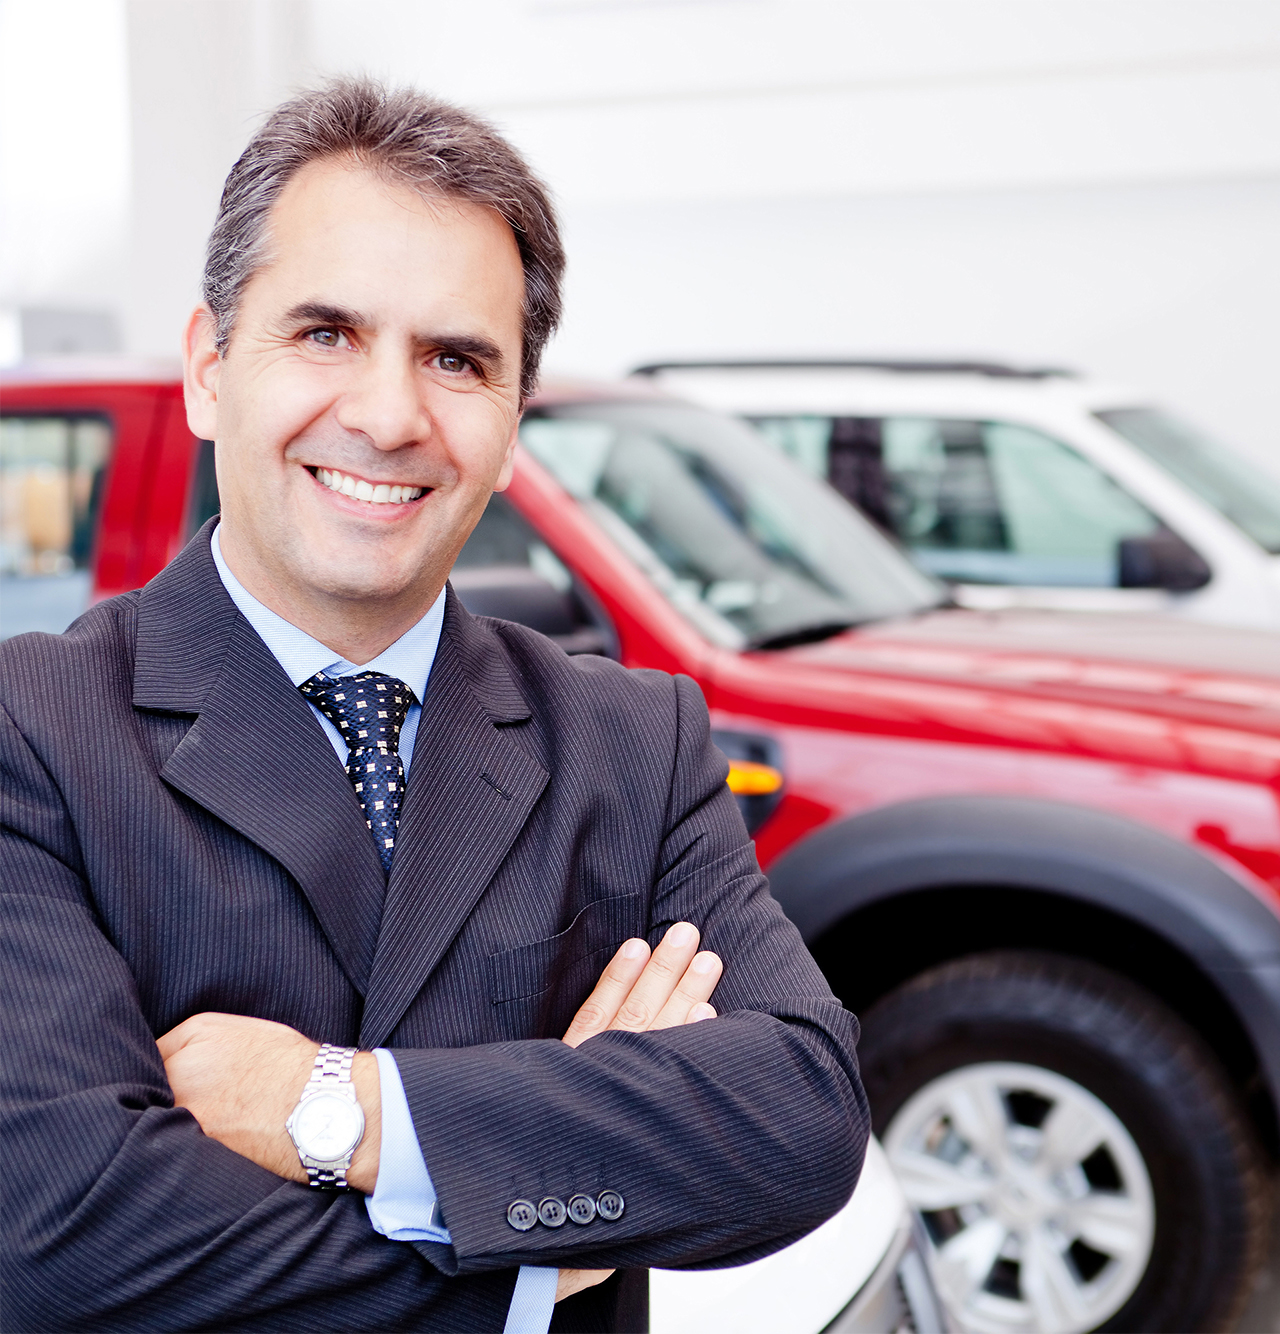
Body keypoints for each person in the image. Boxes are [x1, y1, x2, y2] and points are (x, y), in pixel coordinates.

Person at [0, 79, 868, 1332]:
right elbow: (63, 1235)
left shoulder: (633, 742)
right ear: (207, 370)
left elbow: (798, 1117)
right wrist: (537, 1233)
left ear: (513, 421)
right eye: (324, 333)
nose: (390, 414)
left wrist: (339, 1108)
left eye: (457, 358)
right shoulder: (36, 733)